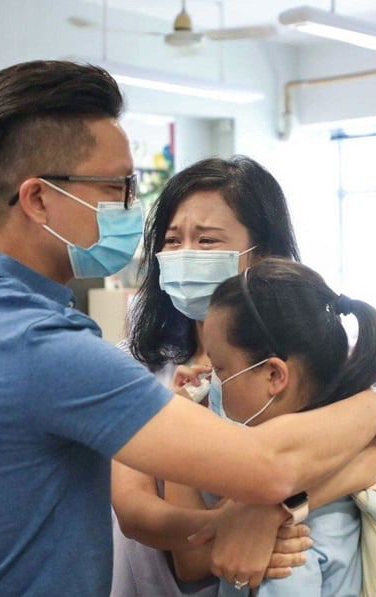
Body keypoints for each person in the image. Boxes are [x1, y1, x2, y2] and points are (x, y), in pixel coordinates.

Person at [0, 60, 376, 596]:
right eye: (114, 188)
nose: (127, 209)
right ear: (38, 199)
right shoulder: (41, 346)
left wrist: (219, 525)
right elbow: (265, 466)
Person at [112, 156, 303, 597]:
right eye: (173, 240)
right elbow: (133, 507)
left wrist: (266, 514)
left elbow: (336, 457)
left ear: (265, 253)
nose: (184, 256)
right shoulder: (133, 365)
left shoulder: (291, 368)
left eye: (208, 240)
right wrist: (228, 525)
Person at [164, 258, 376, 596]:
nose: (209, 382)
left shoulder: (288, 545)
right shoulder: (348, 458)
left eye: (220, 368)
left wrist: (180, 428)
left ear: (274, 375)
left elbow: (192, 552)